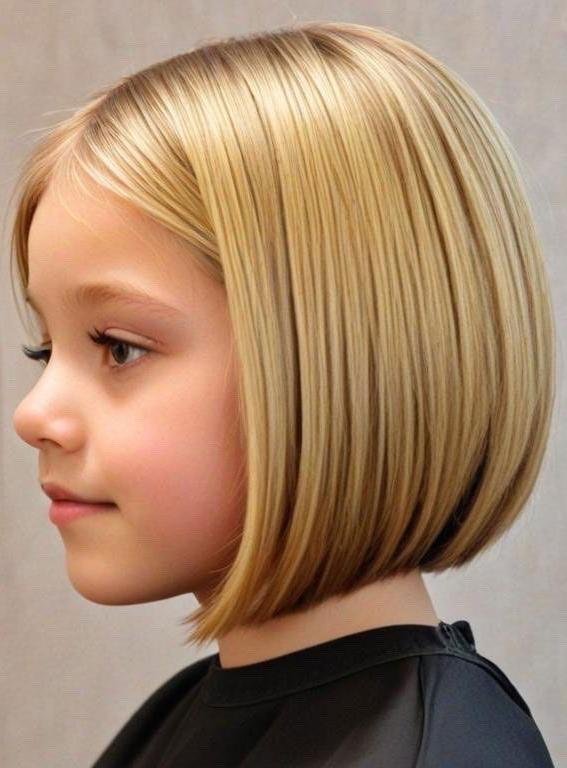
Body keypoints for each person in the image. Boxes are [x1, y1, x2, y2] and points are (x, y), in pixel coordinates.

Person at [9, 20, 556, 768]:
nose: (33, 414)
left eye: (118, 347)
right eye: (46, 349)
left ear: (345, 357)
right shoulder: (179, 720)